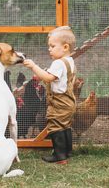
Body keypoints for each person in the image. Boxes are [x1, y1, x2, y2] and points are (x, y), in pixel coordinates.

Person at [22, 26, 76, 164]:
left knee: (55, 126)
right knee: (65, 125)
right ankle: (67, 151)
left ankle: (60, 157)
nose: (49, 49)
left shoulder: (58, 63)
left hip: (59, 101)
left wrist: (34, 66)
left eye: (52, 46)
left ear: (65, 47)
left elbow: (47, 78)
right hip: (69, 100)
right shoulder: (69, 61)